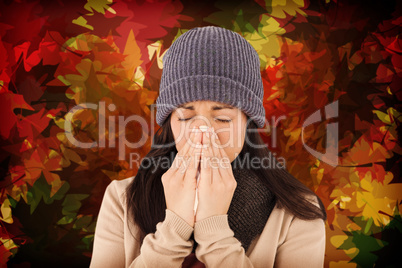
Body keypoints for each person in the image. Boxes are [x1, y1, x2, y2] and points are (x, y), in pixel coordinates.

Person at [90, 26, 327, 268]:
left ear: (248, 122)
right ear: (169, 121)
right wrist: (174, 228)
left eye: (222, 119)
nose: (202, 132)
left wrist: (215, 232)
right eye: (185, 117)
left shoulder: (297, 212)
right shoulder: (122, 199)